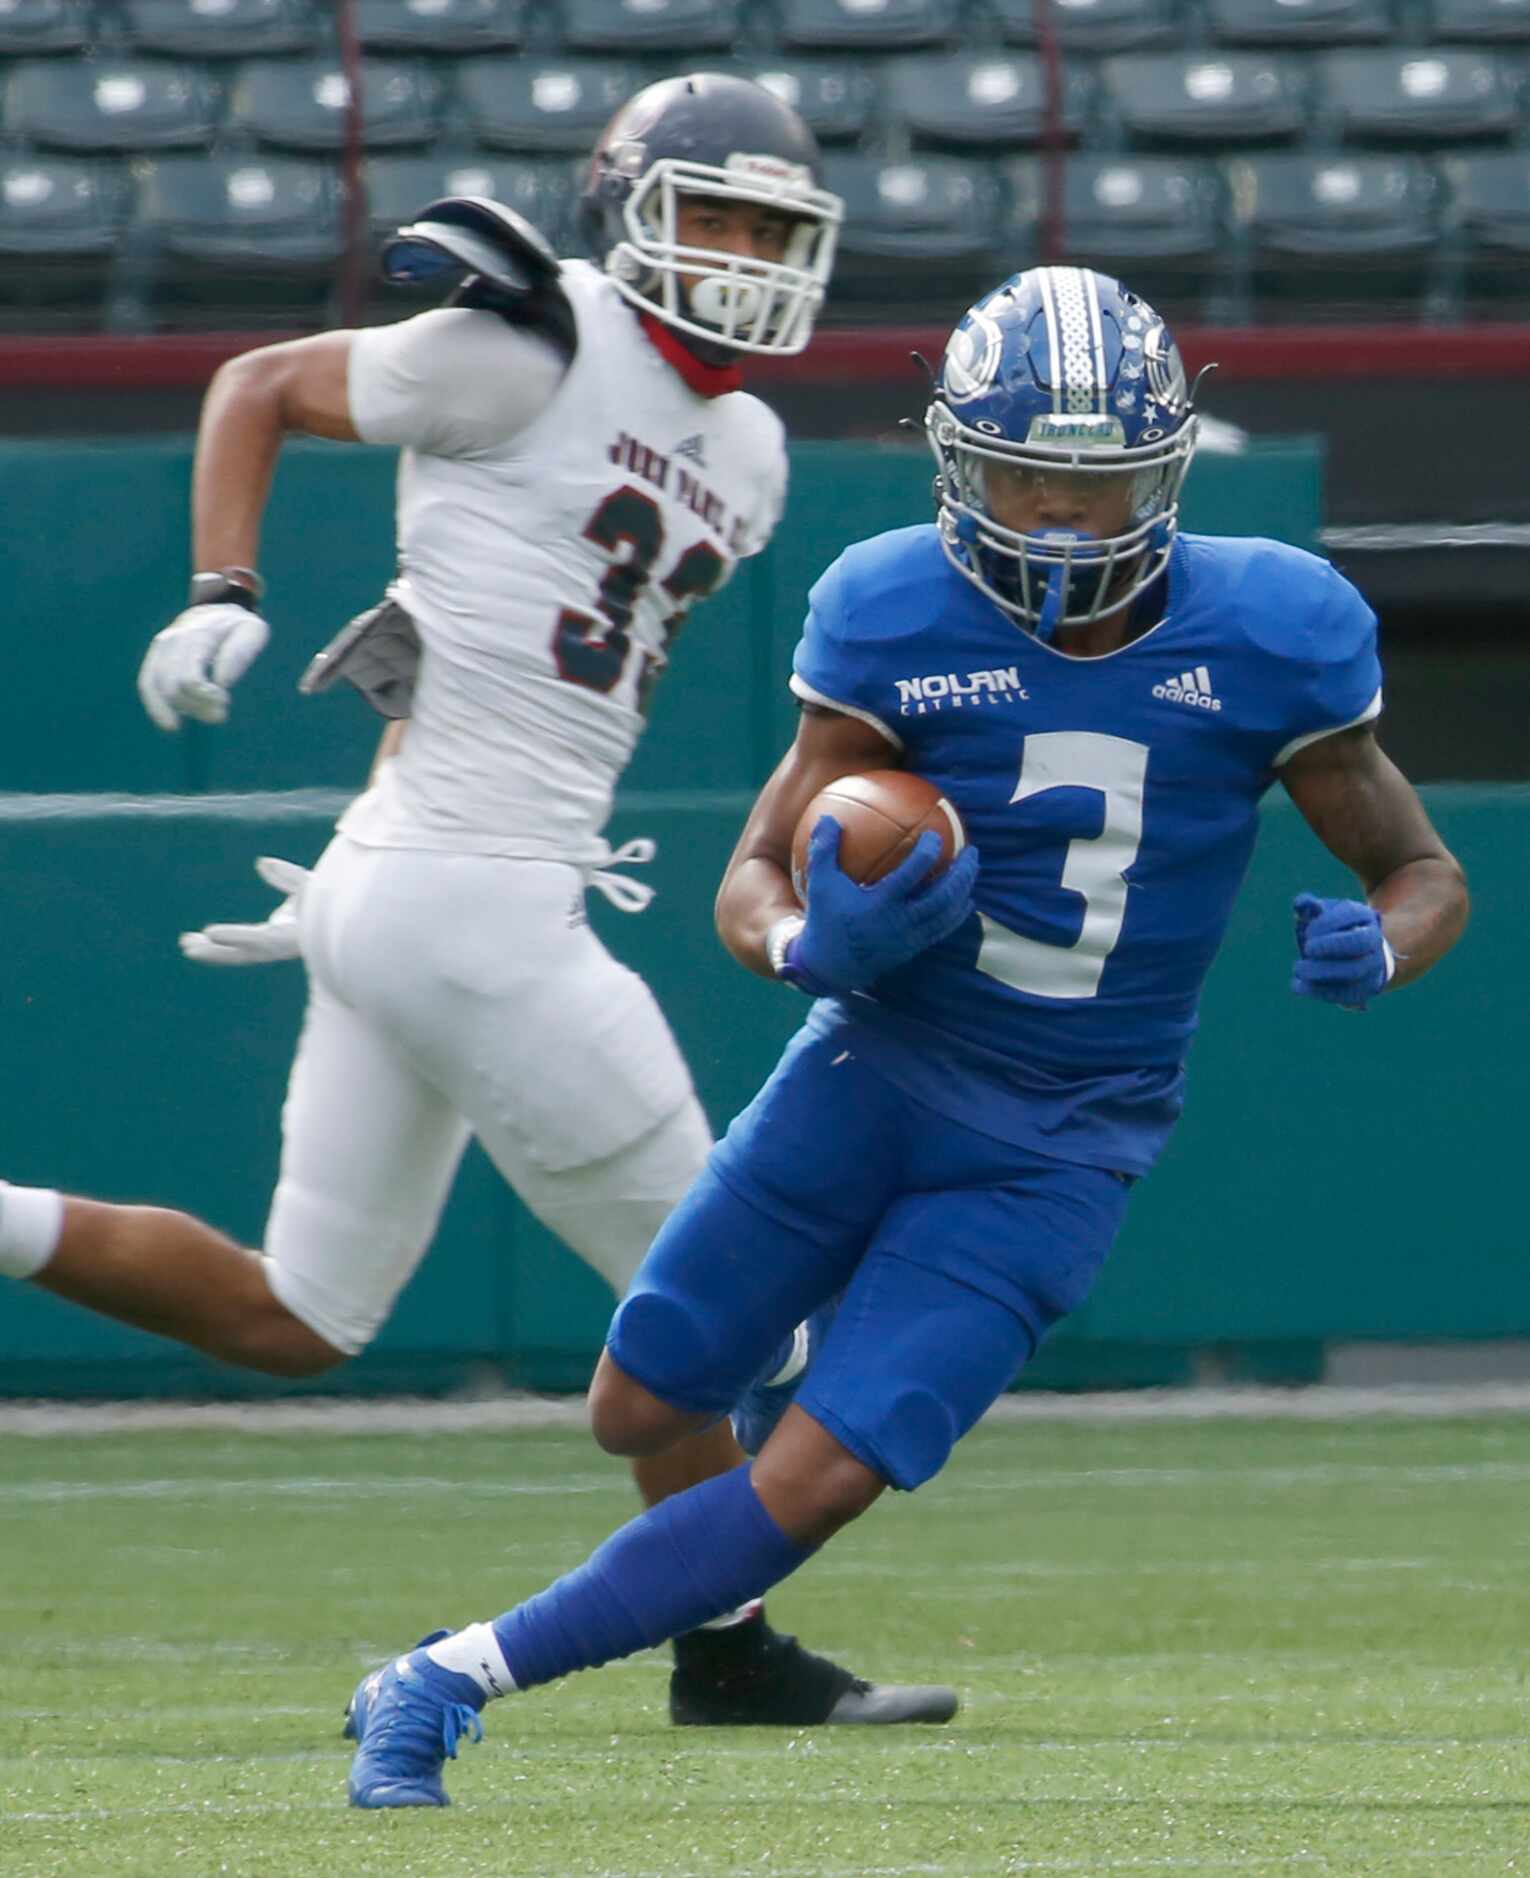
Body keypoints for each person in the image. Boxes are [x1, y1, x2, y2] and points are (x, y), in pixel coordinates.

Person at [338, 262, 1469, 1808]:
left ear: (1166, 472)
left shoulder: (1275, 626)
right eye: (1022, 478)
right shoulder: (889, 604)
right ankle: (763, 1421)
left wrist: (1383, 945)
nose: (1061, 522)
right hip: (870, 1068)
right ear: (955, 458)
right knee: (639, 1401)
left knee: (803, 1484)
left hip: (1061, 1139)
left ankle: (446, 1677)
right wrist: (808, 939)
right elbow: (748, 875)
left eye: (1100, 485)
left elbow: (1417, 869)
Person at [0, 73, 958, 1729]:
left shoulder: (751, 443)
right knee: (719, 1307)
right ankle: (723, 1653)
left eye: (765, 230)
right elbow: (256, 384)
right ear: (625, 205)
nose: (735, 256)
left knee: (296, 1313)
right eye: (710, 215)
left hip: (410, 886)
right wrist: (225, 586)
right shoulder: (528, 336)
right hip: (471, 898)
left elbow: (532, 582)